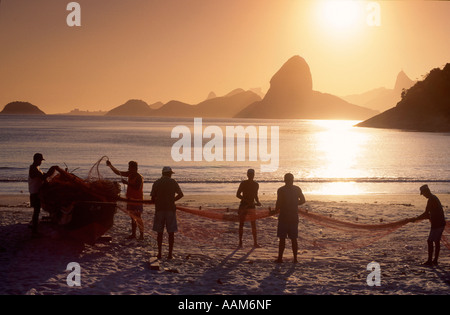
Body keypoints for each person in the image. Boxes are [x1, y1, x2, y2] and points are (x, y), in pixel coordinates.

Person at [150, 166, 184, 259]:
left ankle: (159, 253)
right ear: (169, 174)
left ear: (162, 173)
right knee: (171, 233)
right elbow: (181, 194)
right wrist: (172, 200)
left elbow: (152, 198)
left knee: (159, 233)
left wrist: (158, 200)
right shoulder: (173, 182)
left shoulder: (156, 182)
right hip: (170, 209)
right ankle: (169, 254)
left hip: (159, 209)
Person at [107, 160, 144, 240]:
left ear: (135, 168)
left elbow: (137, 187)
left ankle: (141, 235)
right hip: (130, 199)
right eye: (128, 167)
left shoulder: (139, 177)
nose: (128, 168)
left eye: (130, 167)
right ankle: (134, 234)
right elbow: (118, 172)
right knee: (132, 217)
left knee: (138, 217)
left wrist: (127, 183)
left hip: (137, 200)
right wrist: (110, 166)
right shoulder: (129, 174)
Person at [411, 185, 446, 266]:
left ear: (426, 191)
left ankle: (430, 261)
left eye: (423, 193)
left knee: (430, 241)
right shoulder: (434, 198)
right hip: (440, 223)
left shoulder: (431, 199)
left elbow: (426, 213)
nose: (423, 195)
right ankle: (435, 261)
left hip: (437, 224)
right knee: (436, 241)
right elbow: (430, 213)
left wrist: (416, 219)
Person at [274, 173, 306, 263]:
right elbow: (303, 200)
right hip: (293, 216)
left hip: (284, 216)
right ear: (292, 179)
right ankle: (295, 259)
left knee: (282, 239)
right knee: (293, 239)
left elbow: (278, 203)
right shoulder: (297, 189)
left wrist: (275, 211)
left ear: (284, 180)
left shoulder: (281, 190)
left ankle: (280, 258)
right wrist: (295, 203)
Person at [28, 153, 56, 236]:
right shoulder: (33, 169)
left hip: (36, 192)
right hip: (35, 193)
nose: (41, 162)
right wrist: (52, 170)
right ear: (36, 160)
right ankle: (34, 231)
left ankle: (34, 227)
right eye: (40, 160)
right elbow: (44, 177)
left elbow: (43, 175)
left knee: (37, 211)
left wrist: (50, 172)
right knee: (36, 211)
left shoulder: (36, 168)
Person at [236, 169, 261, 248]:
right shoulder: (243, 183)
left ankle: (255, 243)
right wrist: (247, 201)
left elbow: (255, 195)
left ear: (254, 175)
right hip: (243, 205)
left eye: (252, 174)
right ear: (247, 175)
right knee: (241, 224)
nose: (251, 175)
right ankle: (240, 242)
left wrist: (258, 201)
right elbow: (238, 194)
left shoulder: (256, 184)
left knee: (253, 224)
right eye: (249, 174)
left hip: (252, 206)